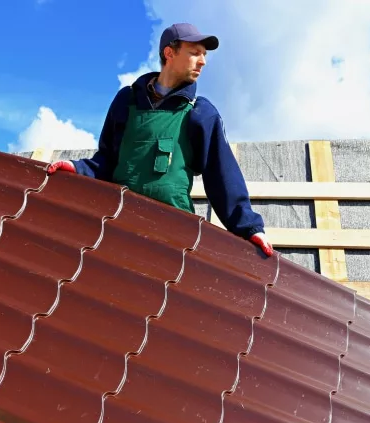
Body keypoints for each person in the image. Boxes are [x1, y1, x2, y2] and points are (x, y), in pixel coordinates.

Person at [47, 23, 273, 257]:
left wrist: (250, 229)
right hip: (120, 224)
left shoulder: (201, 113)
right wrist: (77, 168)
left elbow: (222, 175)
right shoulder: (127, 100)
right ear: (169, 53)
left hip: (175, 234)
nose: (203, 61)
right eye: (195, 53)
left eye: (204, 55)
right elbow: (107, 160)